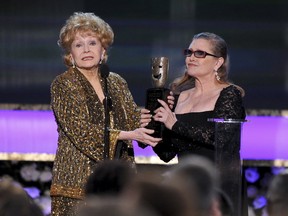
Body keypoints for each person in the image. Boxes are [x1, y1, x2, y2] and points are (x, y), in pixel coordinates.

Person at [49, 12, 165, 216]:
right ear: (70, 54)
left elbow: (132, 121)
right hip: (77, 185)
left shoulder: (116, 81)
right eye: (78, 45)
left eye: (92, 43)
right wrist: (128, 135)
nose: (86, 49)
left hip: (119, 183)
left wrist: (154, 112)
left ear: (103, 49)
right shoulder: (63, 84)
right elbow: (80, 131)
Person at [152, 31, 246, 163]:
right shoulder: (179, 97)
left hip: (218, 180)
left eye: (200, 53)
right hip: (186, 180)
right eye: (189, 52)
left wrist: (175, 125)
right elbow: (167, 154)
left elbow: (221, 139)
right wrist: (152, 131)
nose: (191, 58)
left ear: (218, 62)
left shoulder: (229, 94)